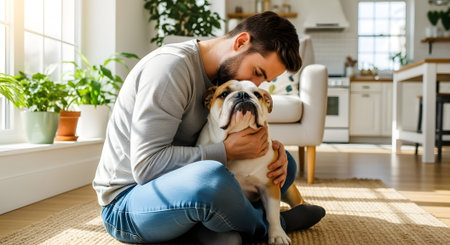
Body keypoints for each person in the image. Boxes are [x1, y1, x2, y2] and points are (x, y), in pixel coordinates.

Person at [93, 11, 325, 245]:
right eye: (257, 72)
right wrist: (227, 151)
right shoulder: (170, 69)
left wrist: (269, 150)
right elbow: (146, 167)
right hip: (128, 202)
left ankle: (219, 225)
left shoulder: (222, 77)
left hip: (184, 185)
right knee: (212, 179)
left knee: (282, 163)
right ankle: (272, 224)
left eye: (262, 82)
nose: (253, 85)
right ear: (241, 42)